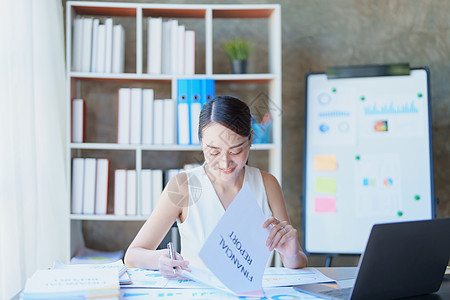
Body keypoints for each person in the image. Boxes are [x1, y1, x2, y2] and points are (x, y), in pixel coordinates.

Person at [124, 96, 307, 278]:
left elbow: (297, 262)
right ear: (201, 142)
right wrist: (159, 259)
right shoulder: (183, 186)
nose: (225, 162)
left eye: (236, 151)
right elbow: (132, 255)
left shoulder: (267, 184)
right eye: (214, 151)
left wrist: (291, 254)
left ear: (251, 138)